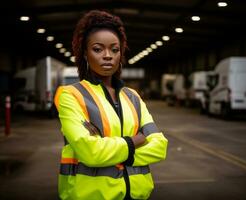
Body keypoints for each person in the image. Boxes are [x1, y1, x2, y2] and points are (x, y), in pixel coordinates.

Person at [54, 10, 168, 200]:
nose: (108, 56)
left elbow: (159, 146)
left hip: (137, 195)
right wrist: (133, 142)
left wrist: (119, 154)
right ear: (84, 53)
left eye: (114, 50)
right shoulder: (70, 96)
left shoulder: (132, 97)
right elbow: (90, 152)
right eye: (98, 49)